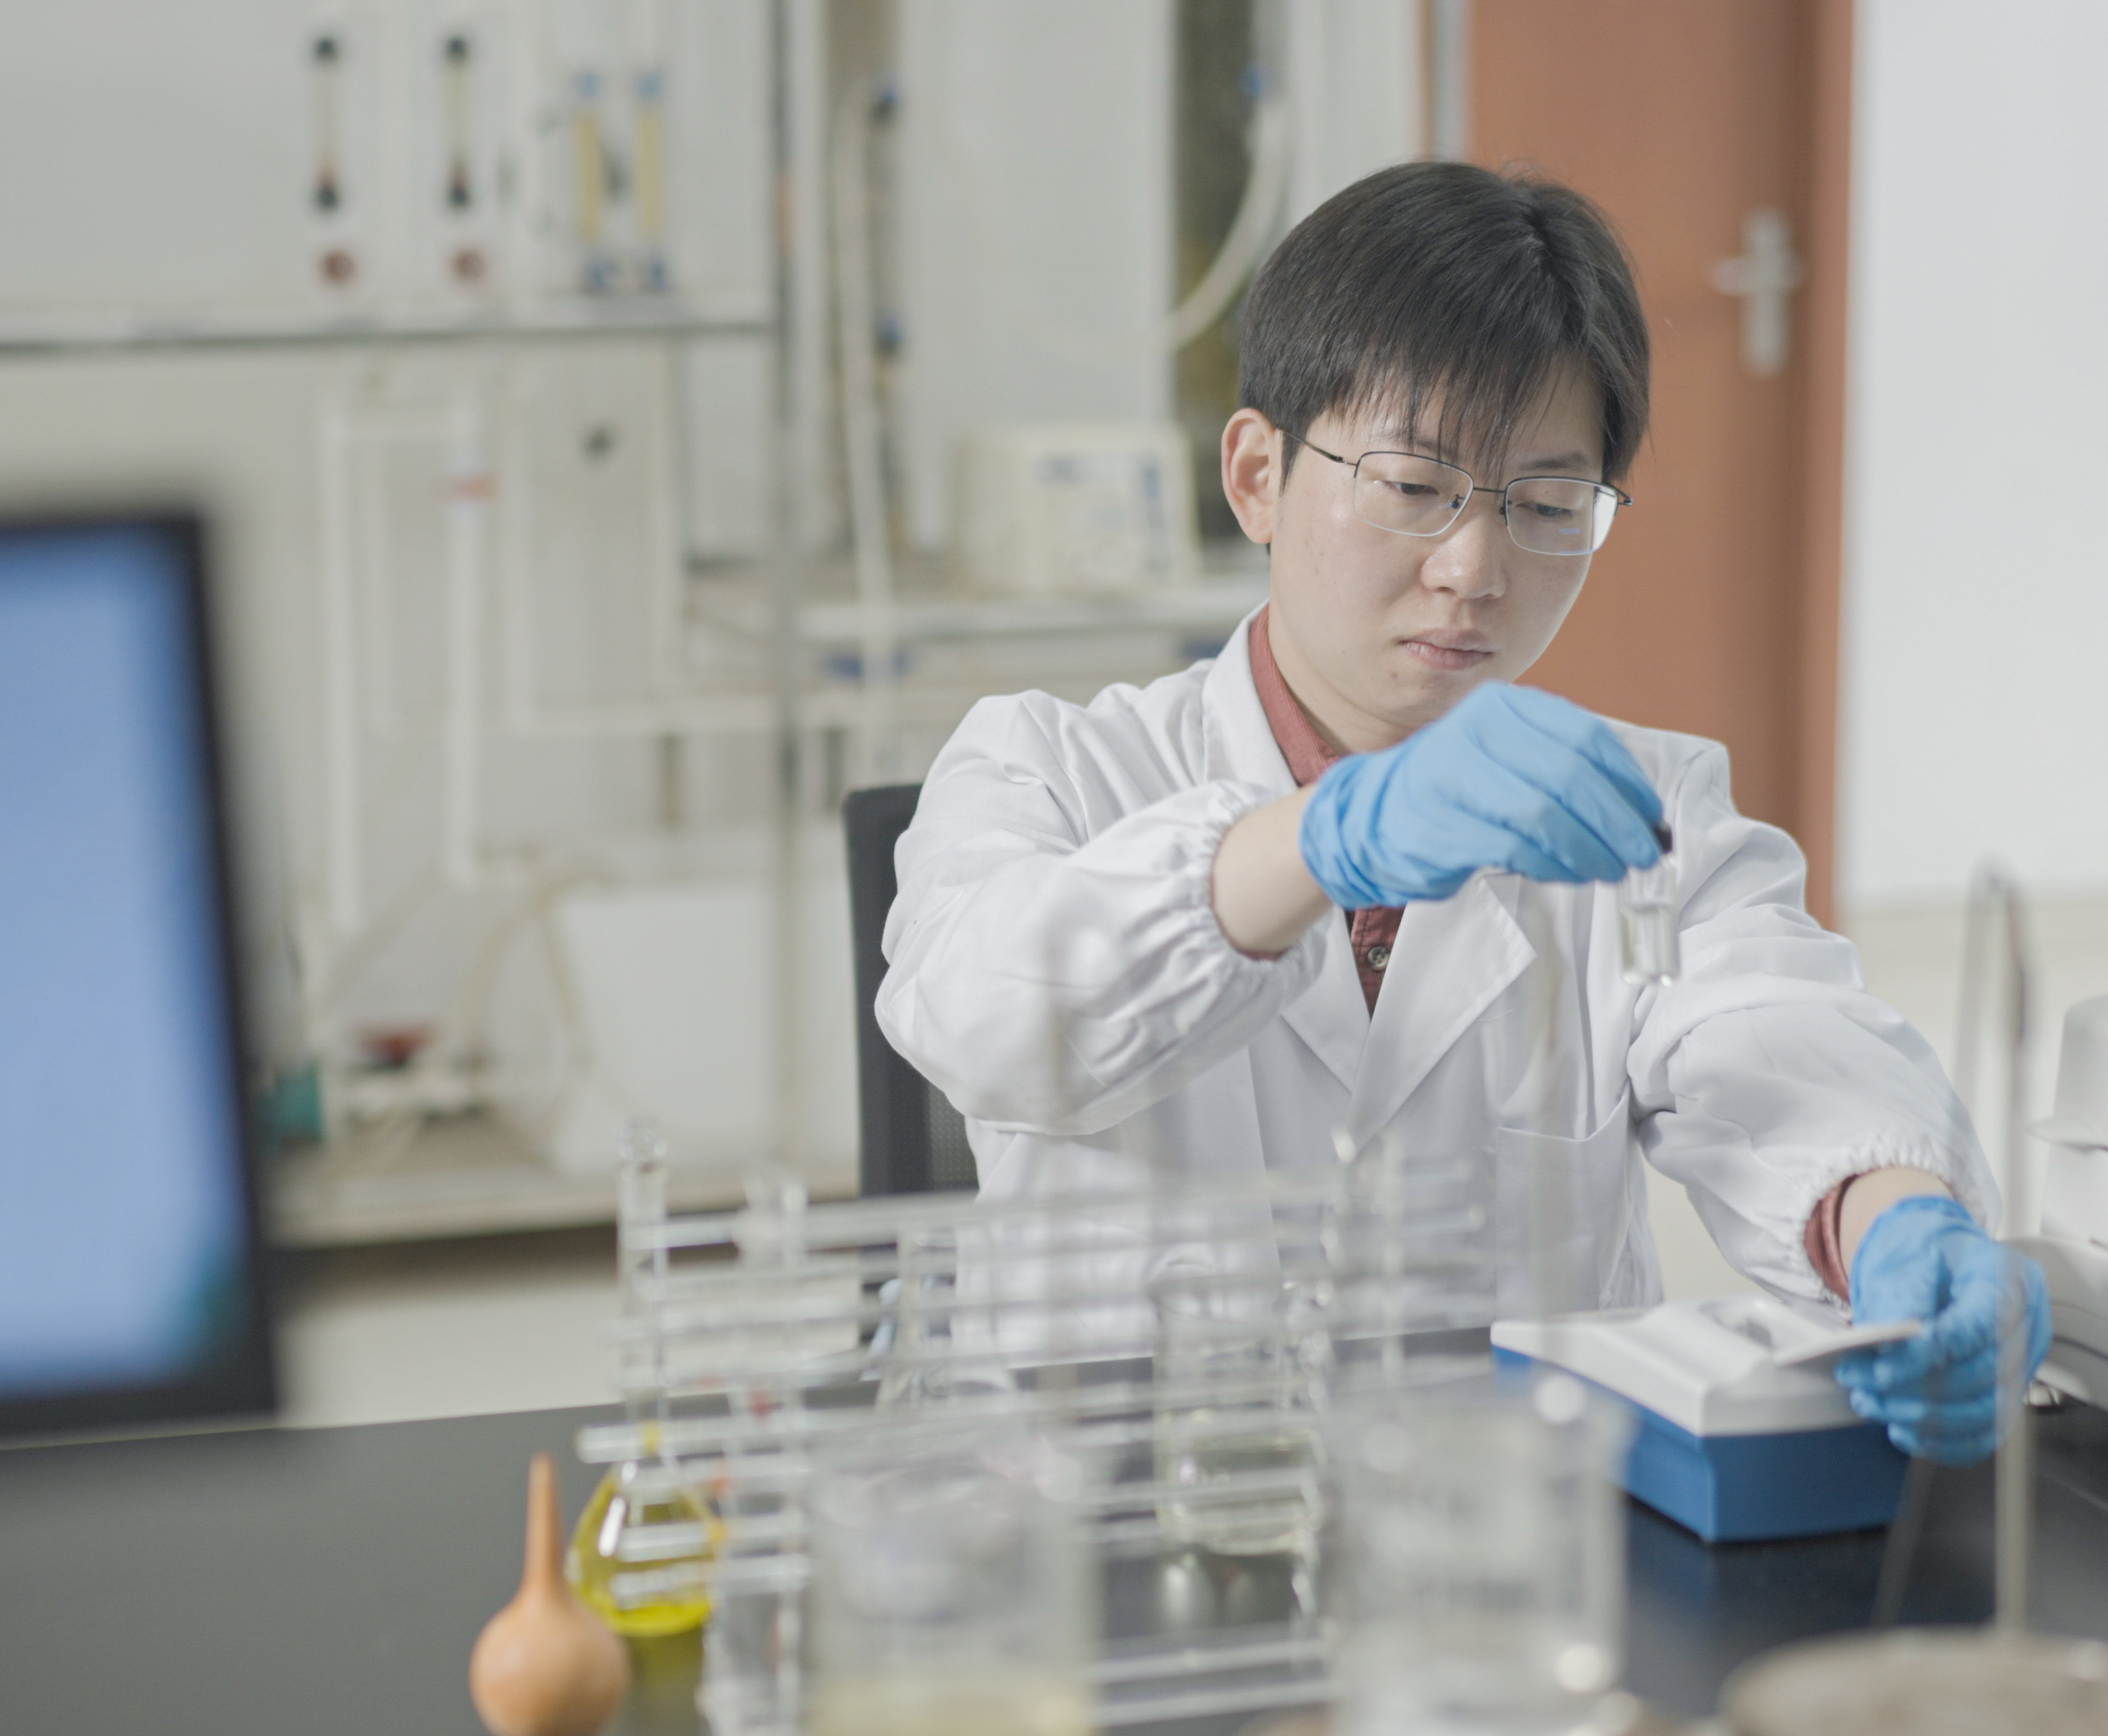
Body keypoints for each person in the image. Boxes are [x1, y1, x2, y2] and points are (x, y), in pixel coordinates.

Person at [875, 161, 2045, 1464]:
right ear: (1257, 475)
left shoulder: (1644, 808)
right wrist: (1319, 842)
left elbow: (1776, 1044)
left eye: (1546, 506)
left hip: (1501, 1531)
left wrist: (1898, 1223)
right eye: (1413, 486)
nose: (1475, 568)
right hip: (1106, 1523)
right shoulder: (1050, 766)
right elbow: (985, 1017)